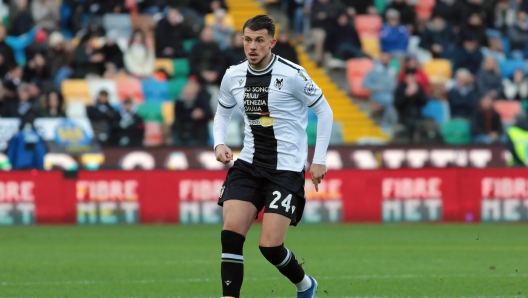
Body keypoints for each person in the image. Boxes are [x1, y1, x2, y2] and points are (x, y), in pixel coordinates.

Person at [213, 15, 332, 298]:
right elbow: (222, 112)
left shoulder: (293, 75)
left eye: (259, 40)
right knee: (230, 235)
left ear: (272, 43)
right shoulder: (233, 75)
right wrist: (219, 143)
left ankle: (305, 285)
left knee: (269, 246)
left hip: (286, 169)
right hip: (249, 164)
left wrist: (320, 159)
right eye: (247, 39)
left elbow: (325, 111)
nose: (252, 46)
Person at [363, 52, 397, 132]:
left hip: (389, 94)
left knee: (392, 100)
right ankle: (386, 124)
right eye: (383, 58)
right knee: (390, 100)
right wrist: (375, 88)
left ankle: (393, 124)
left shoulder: (391, 71)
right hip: (377, 95)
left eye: (387, 59)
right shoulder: (374, 71)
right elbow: (365, 83)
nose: (385, 60)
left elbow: (395, 84)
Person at [172, 79, 213, 146]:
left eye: (191, 93)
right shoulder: (179, 102)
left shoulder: (201, 100)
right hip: (182, 132)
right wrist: (191, 115)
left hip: (199, 134)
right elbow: (177, 116)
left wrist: (202, 113)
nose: (189, 95)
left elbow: (209, 114)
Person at [394, 72, 428, 143]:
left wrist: (417, 93)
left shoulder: (419, 88)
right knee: (411, 125)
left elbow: (424, 102)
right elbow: (397, 104)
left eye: (412, 78)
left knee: (425, 125)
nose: (411, 80)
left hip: (418, 116)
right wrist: (406, 95)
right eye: (409, 78)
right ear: (405, 79)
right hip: (404, 116)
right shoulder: (400, 89)